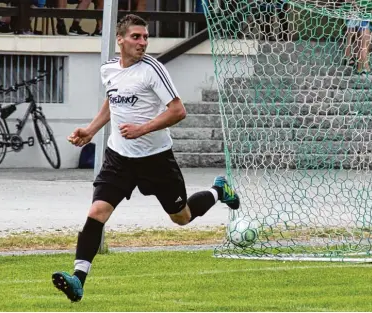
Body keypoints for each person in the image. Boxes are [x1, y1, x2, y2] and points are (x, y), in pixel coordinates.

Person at [51, 14, 240, 303]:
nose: (142, 42)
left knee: (181, 217)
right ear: (121, 40)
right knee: (96, 214)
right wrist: (90, 130)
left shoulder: (153, 69)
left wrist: (143, 128)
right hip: (119, 158)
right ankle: (78, 279)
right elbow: (113, 100)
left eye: (145, 37)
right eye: (136, 37)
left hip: (156, 160)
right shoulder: (109, 70)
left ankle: (218, 190)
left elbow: (178, 111)